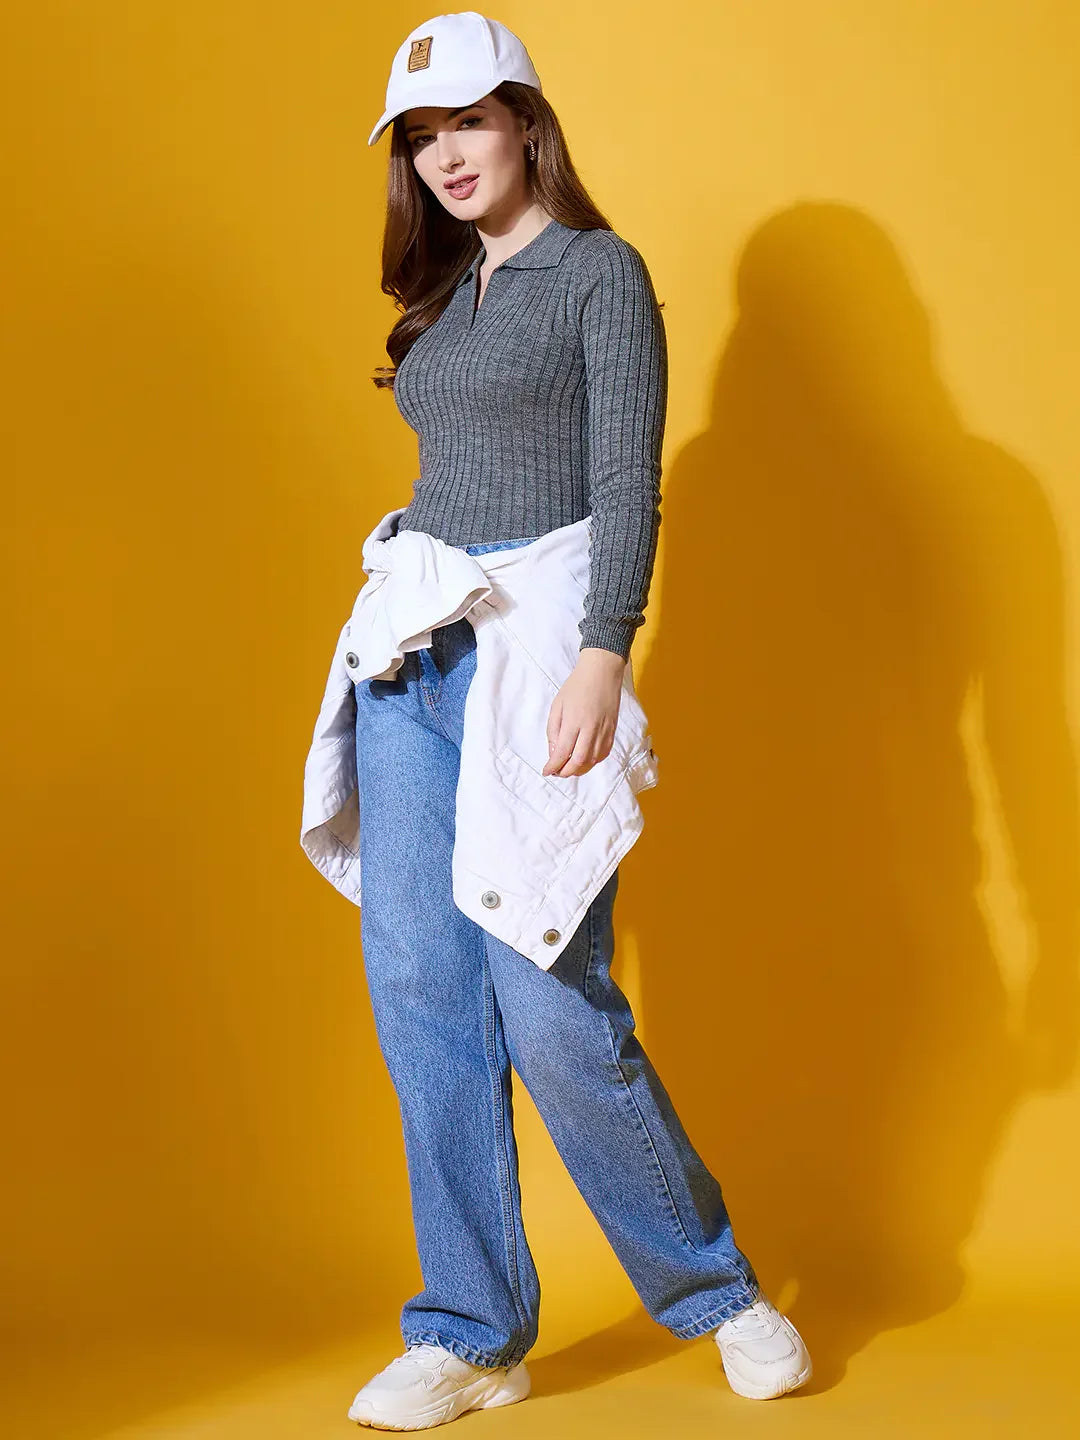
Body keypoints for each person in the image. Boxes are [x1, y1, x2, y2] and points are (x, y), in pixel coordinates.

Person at [341, 12, 812, 1430]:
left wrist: (605, 654)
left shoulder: (599, 275)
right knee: (424, 1004)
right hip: (410, 669)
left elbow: (626, 475)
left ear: (526, 124)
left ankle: (720, 1294)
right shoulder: (444, 303)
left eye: (465, 126)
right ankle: (473, 1334)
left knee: (551, 1001)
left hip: (537, 660)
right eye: (420, 141)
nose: (444, 159)